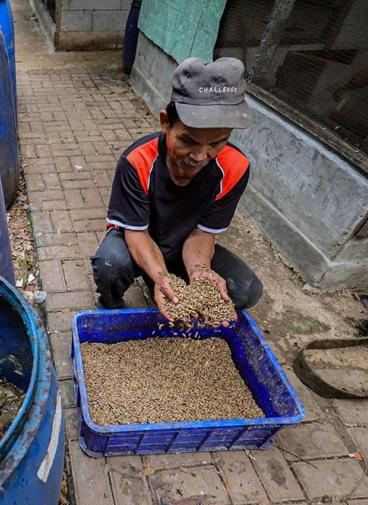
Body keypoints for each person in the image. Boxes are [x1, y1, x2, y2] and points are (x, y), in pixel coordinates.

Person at [91, 56, 263, 322]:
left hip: (184, 243)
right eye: (188, 140)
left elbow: (202, 235)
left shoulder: (235, 167)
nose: (199, 155)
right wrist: (160, 276)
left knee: (246, 289)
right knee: (110, 264)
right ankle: (111, 305)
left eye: (217, 143)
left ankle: (173, 286)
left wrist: (200, 271)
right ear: (165, 123)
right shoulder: (136, 162)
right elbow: (136, 234)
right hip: (139, 239)